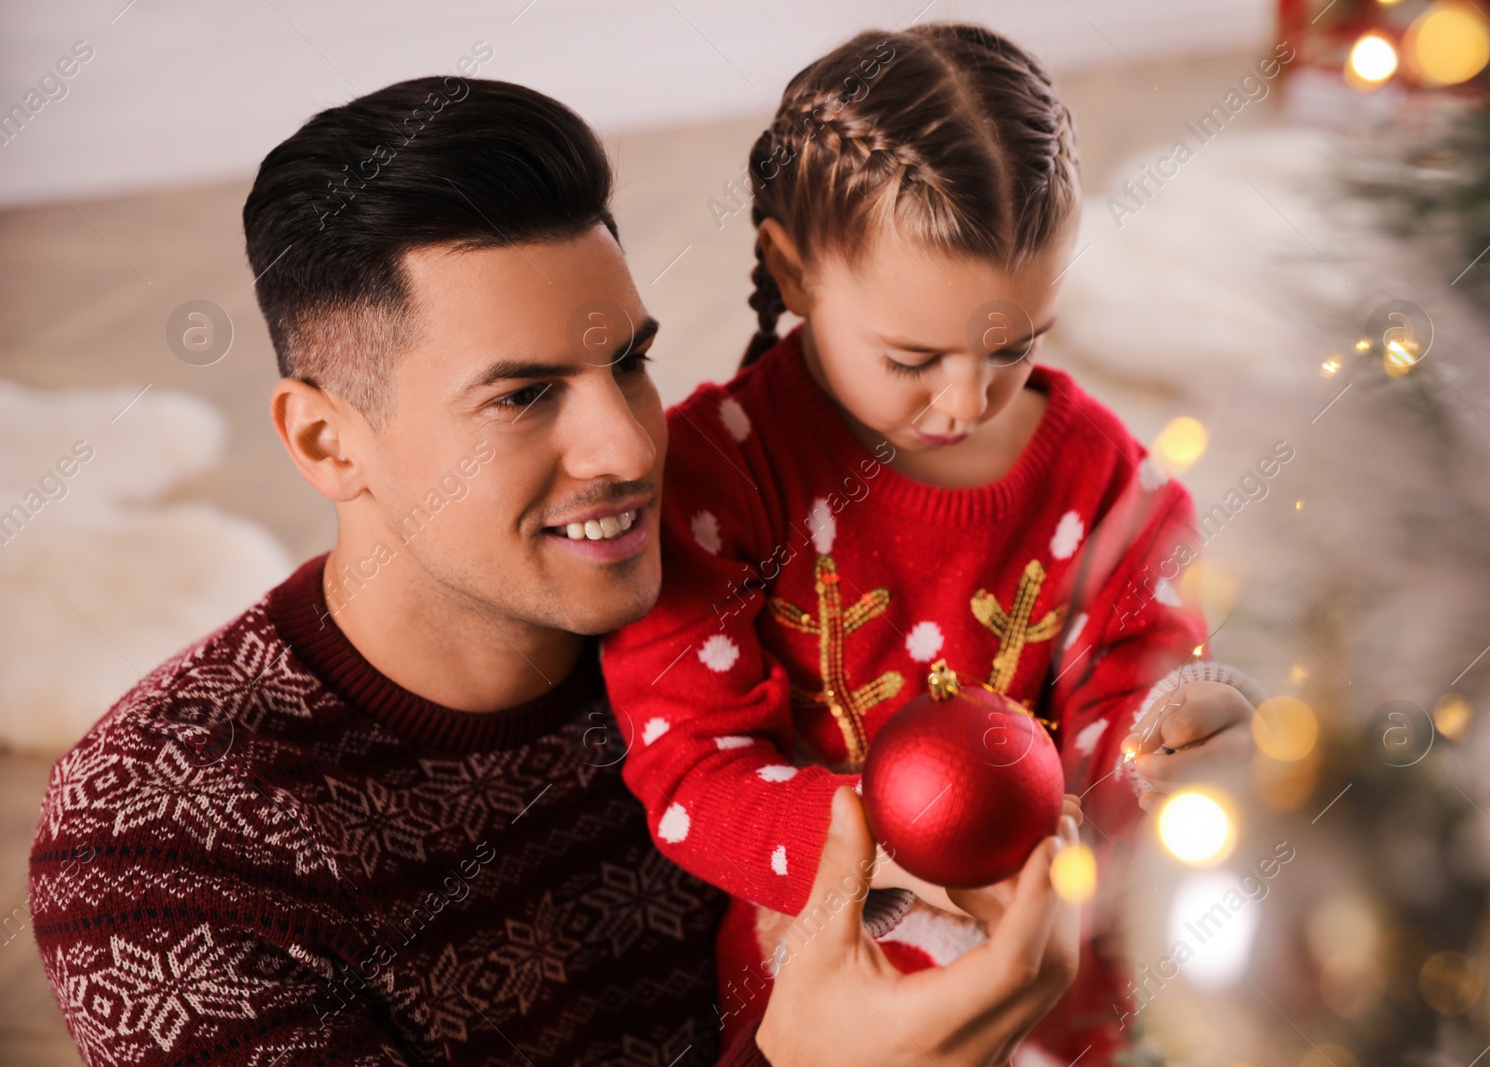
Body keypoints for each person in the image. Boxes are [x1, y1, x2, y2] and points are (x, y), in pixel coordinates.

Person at [27, 76, 1084, 1066]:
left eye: (627, 362)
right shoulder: (162, 848)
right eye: (523, 396)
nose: (628, 446)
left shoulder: (754, 604)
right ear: (324, 443)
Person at [599, 24, 1263, 1064]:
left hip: (1059, 961)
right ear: (792, 267)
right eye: (912, 355)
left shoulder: (1106, 478)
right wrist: (900, 846)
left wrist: (1178, 742)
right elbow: (692, 771)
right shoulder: (716, 477)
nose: (964, 399)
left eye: (1013, 346)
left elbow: (1135, 700)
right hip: (826, 970)